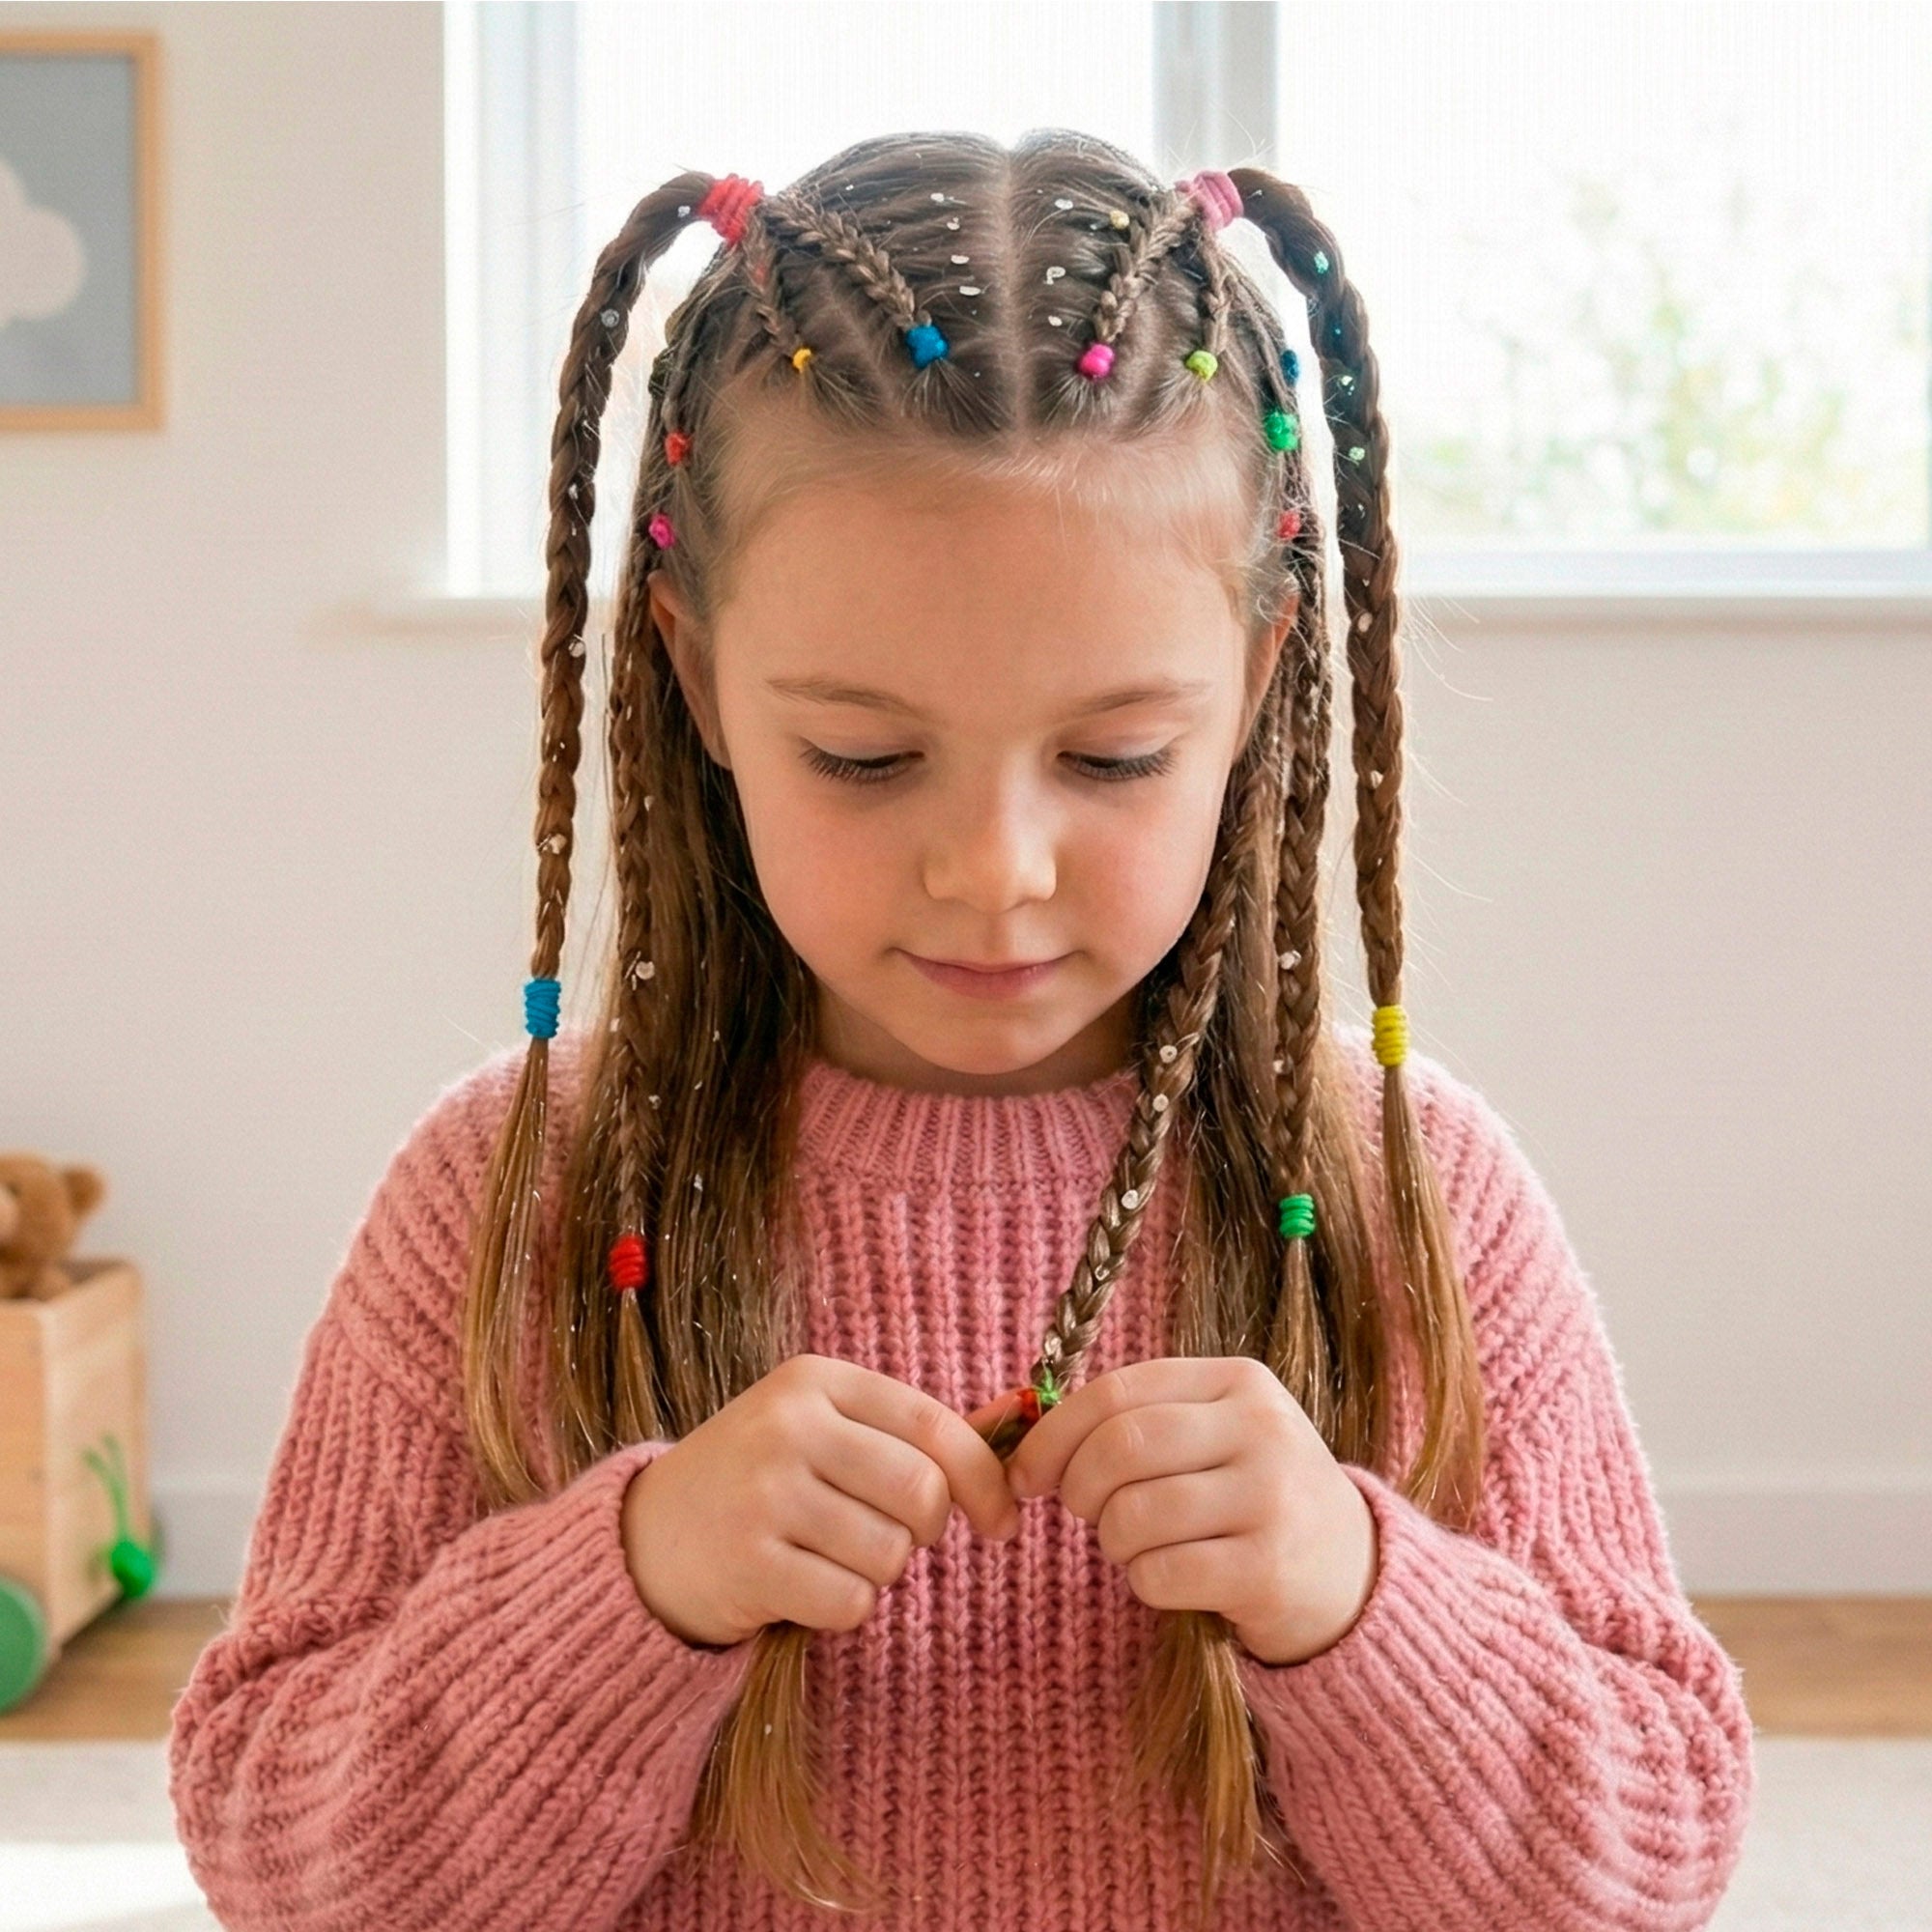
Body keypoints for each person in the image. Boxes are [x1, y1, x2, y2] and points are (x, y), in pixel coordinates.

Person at [166, 131, 1755, 1931]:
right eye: (863, 758)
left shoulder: (1404, 1191)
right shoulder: (510, 1193)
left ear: (1251, 685)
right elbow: (279, 1861)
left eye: (1111, 759)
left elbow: (1648, 1859)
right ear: (694, 675)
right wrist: (630, 1585)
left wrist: (1359, 1600)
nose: (994, 874)